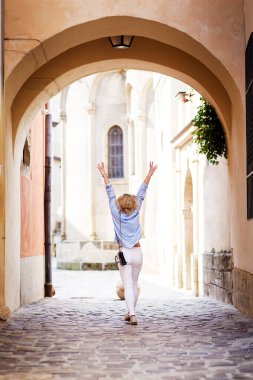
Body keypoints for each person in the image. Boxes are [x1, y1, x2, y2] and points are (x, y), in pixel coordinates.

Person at [97, 161, 158, 325]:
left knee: (127, 284)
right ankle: (131, 312)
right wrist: (150, 174)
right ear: (132, 203)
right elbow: (142, 192)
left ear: (119, 204)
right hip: (138, 252)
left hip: (124, 252)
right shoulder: (137, 209)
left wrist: (105, 175)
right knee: (134, 283)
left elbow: (110, 193)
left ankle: (132, 313)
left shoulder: (115, 211)